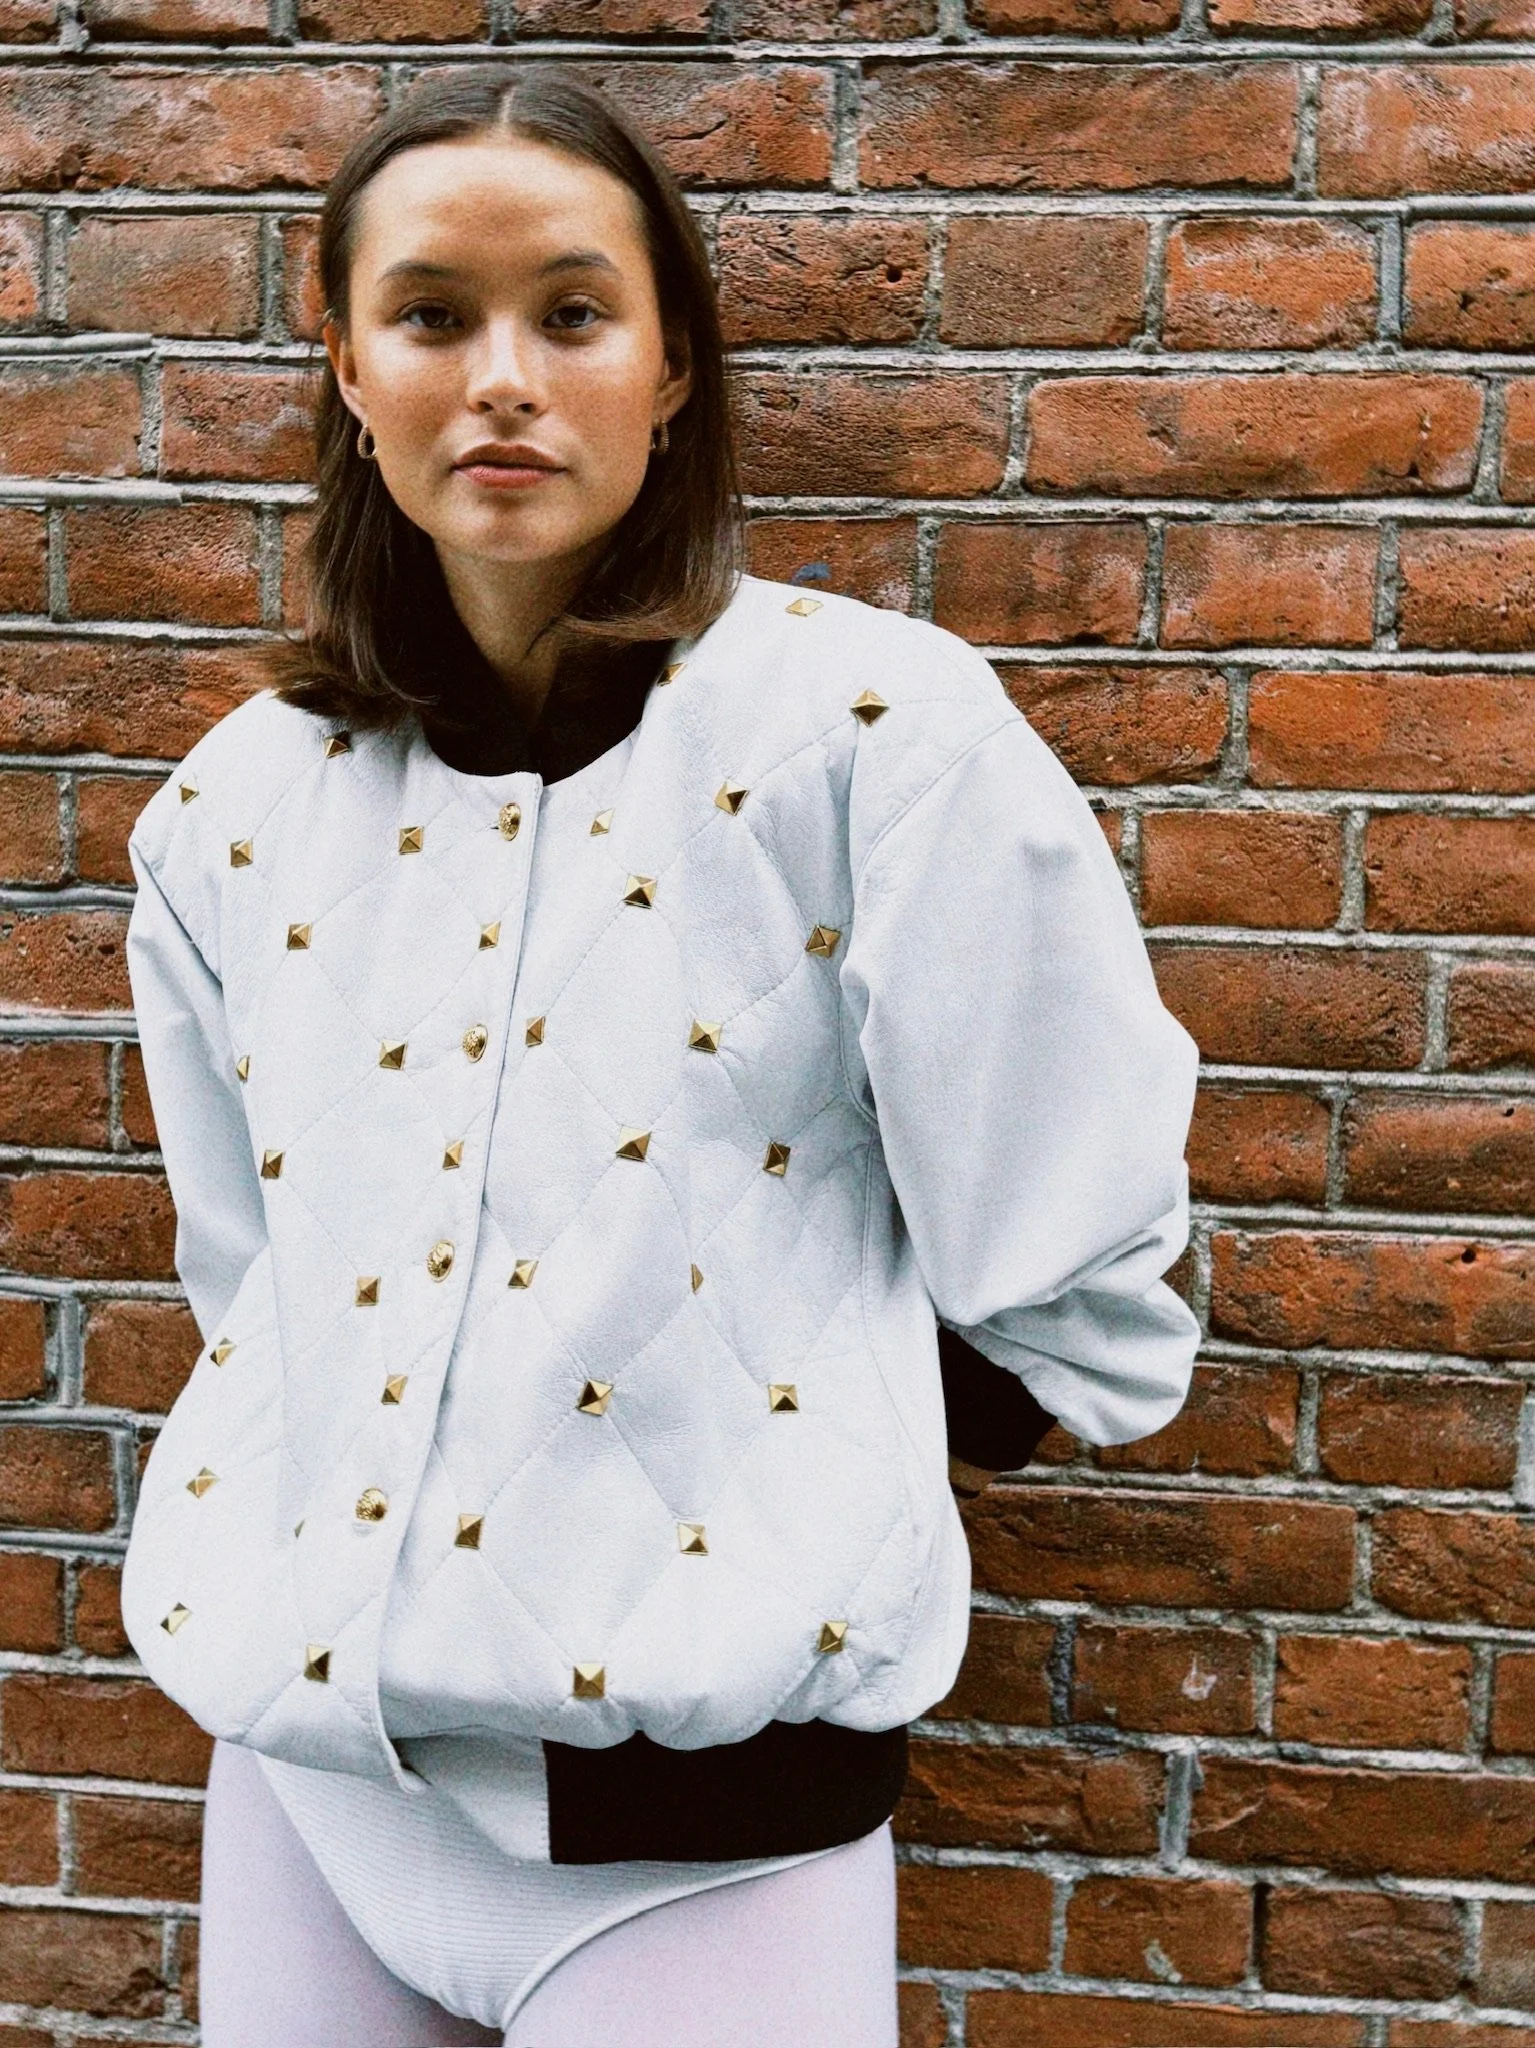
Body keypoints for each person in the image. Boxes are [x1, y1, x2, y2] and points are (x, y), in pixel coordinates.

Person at [119, 62, 1203, 2048]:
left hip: (707, 1853)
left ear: (672, 363)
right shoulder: (232, 810)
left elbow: (1075, 1260)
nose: (500, 379)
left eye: (571, 312)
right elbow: (253, 1279)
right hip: (307, 1796)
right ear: (348, 367)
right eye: (430, 314)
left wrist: (819, 1483)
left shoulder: (872, 740)